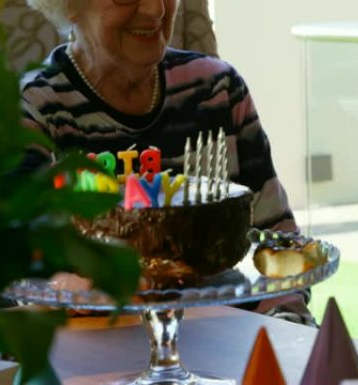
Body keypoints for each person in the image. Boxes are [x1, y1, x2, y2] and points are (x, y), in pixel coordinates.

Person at [20, 0, 314, 325]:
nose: (155, 10)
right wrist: (67, 288)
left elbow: (278, 241)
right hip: (103, 352)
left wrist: (286, 331)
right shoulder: (34, 109)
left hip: (227, 341)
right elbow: (20, 272)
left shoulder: (215, 90)